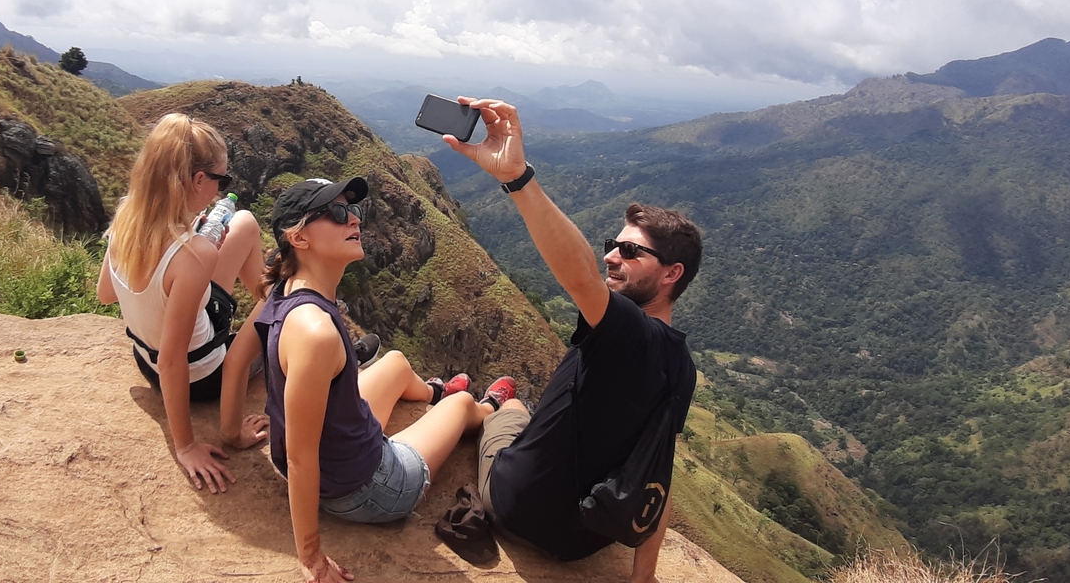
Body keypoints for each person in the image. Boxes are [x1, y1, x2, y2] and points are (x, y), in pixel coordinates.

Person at [442, 97, 702, 583]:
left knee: (512, 410)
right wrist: (643, 576)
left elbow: (581, 275)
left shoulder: (627, 332)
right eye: (612, 246)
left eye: (629, 251)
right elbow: (657, 471)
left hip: (519, 511)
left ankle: (478, 404)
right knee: (524, 408)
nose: (611, 258)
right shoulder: (681, 368)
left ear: (672, 273)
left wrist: (517, 179)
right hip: (583, 539)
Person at [257, 176, 515, 583]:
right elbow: (301, 456)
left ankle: (434, 390)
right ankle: (488, 407)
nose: (355, 221)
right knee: (461, 406)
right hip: (366, 488)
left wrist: (233, 431)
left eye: (354, 211)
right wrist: (310, 555)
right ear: (299, 238)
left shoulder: (283, 289)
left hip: (340, 449)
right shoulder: (316, 332)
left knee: (394, 362)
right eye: (339, 213)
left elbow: (241, 357)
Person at [96, 113, 270, 494]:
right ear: (197, 181)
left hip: (145, 360)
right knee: (277, 297)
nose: (222, 189)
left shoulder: (128, 214)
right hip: (201, 377)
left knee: (244, 222)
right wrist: (186, 447)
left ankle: (268, 298)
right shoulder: (193, 256)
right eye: (221, 180)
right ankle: (284, 312)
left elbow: (106, 294)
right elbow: (173, 361)